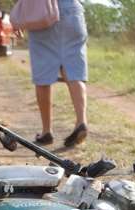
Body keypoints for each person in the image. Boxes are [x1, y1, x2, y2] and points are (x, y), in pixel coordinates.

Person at [28, 0, 89, 147]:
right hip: (73, 11)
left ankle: (46, 131)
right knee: (73, 71)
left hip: (43, 12)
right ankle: (81, 121)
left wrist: (22, 16)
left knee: (43, 73)